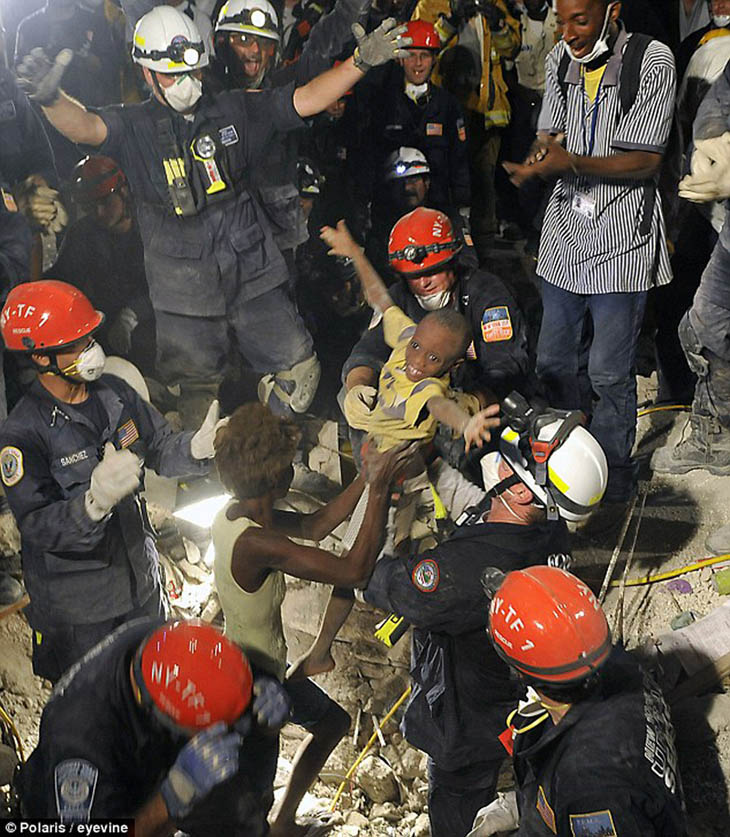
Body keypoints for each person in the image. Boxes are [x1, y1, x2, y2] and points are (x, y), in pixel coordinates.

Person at [15, 5, 412, 426]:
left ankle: (262, 445)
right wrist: (50, 99)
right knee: (195, 406)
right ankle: (203, 468)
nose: (186, 84)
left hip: (253, 277)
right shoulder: (135, 127)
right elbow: (85, 127)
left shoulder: (235, 109)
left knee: (300, 375)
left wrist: (359, 63)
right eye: (172, 74)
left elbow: (305, 98)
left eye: (192, 72)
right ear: (147, 75)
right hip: (184, 296)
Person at [296, 401, 608, 837]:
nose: (497, 452)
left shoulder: (464, 574)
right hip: (503, 702)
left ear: (520, 490)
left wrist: (379, 490)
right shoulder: (544, 525)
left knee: (455, 810)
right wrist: (428, 462)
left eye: (510, 454)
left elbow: (367, 576)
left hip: (465, 727)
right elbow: (475, 511)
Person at [0, 280, 223, 683]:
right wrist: (92, 505)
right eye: (76, 342)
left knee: (152, 696)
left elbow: (157, 445)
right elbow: (36, 524)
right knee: (98, 722)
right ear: (39, 356)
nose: (90, 349)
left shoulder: (114, 395)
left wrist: (195, 450)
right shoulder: (24, 433)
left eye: (89, 336)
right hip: (82, 616)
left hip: (142, 587)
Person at [211, 402, 417, 836]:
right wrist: (378, 492)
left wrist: (365, 474)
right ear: (277, 478)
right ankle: (265, 825)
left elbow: (316, 525)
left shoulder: (236, 515)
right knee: (254, 791)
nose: (294, 468)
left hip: (254, 664)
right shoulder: (255, 543)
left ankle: (283, 823)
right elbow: (353, 571)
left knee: (331, 724)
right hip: (252, 685)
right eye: (288, 464)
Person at [503, 0, 676, 510]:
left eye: (580, 19)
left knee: (606, 370)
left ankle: (613, 476)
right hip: (565, 238)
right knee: (554, 360)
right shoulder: (560, 59)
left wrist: (570, 160)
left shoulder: (651, 60)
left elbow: (646, 160)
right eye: (561, 20)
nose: (569, 32)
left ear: (612, 10)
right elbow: (550, 134)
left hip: (623, 241)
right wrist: (536, 161)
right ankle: (561, 466)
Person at [19, 618, 292, 835]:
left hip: (153, 766)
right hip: (93, 810)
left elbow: (213, 681)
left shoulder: (169, 643)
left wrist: (263, 712)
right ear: (160, 715)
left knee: (238, 809)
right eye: (200, 731)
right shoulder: (80, 739)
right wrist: (171, 798)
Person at [472, 564, 687, 836]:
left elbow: (598, 795)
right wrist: (528, 804)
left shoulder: (588, 788)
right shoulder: (620, 666)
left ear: (517, 670)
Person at [342, 206, 532, 471]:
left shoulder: (487, 296)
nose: (423, 283)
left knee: (467, 444)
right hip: (412, 402)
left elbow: (506, 369)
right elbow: (368, 350)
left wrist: (467, 409)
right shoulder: (402, 296)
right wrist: (358, 390)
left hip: (470, 405)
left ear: (453, 262)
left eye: (432, 271)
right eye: (414, 276)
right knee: (351, 399)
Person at [412, 0, 521, 252]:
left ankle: (481, 253)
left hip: (484, 111)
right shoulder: (429, 4)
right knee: (440, 181)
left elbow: (511, 49)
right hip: (443, 111)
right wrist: (450, 20)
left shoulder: (493, 4)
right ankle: (435, 246)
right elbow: (416, 50)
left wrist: (498, 24)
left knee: (483, 185)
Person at [48, 155, 156, 377]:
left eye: (104, 202)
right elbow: (62, 282)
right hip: (102, 331)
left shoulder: (151, 228)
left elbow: (170, 284)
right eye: (90, 206)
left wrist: (133, 314)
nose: (98, 213)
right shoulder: (83, 234)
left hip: (155, 326)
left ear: (123, 192)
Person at [353, 19, 470, 222]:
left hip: (436, 207)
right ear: (400, 59)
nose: (417, 63)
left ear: (434, 59)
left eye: (424, 56)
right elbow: (368, 155)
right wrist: (363, 203)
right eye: (411, 56)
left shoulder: (448, 105)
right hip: (390, 208)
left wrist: (463, 207)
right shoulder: (383, 102)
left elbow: (459, 160)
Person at [14, 0, 128, 175]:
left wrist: (80, 56)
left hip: (93, 122)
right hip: (51, 131)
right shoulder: (29, 28)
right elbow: (21, 82)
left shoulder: (93, 20)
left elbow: (111, 69)